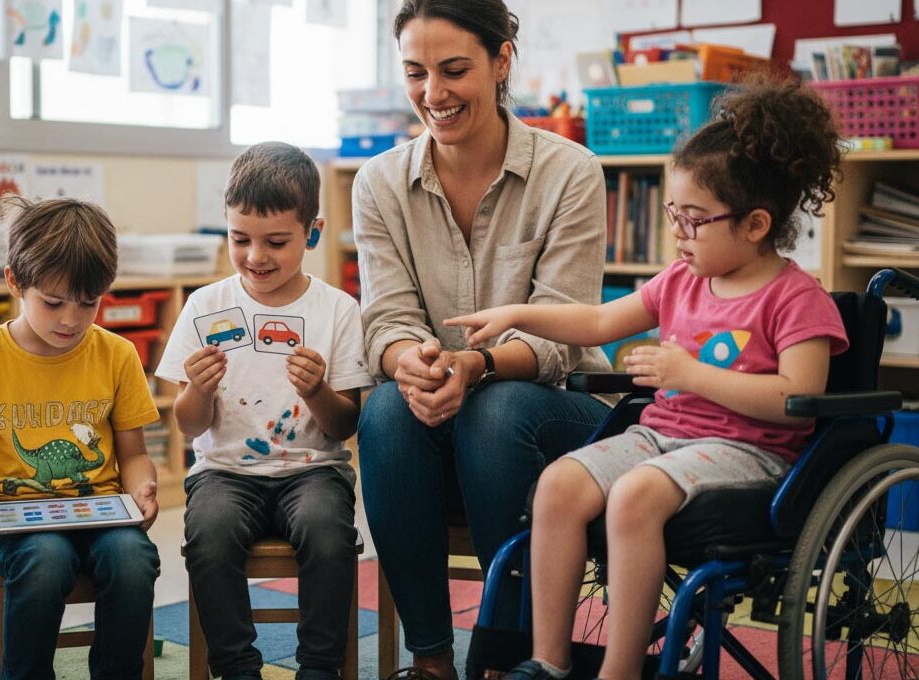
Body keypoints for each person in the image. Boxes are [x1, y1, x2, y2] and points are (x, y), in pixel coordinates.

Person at [445, 75, 849, 680]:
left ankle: (621, 670)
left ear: (755, 224)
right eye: (673, 214)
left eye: (695, 220)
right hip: (662, 438)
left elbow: (797, 398)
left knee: (635, 495)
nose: (677, 232)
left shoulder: (796, 299)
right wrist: (517, 313)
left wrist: (690, 373)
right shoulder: (681, 280)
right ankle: (548, 662)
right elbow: (599, 320)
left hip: (749, 451)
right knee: (557, 486)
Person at [353, 1, 613, 677]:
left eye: (453, 70)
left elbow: (560, 334)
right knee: (386, 409)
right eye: (415, 72)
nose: (432, 93)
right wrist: (411, 363)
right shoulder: (378, 183)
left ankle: (509, 660)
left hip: (556, 413)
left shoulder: (570, 172)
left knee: (496, 409)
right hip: (440, 418)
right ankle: (432, 660)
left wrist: (478, 365)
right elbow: (385, 320)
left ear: (501, 62)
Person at [155, 142, 374, 680]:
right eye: (240, 239)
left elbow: (346, 425)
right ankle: (236, 666)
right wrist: (198, 390)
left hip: (314, 471)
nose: (255, 256)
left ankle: (319, 666)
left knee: (329, 538)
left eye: (276, 242)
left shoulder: (338, 310)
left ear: (313, 233)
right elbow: (188, 424)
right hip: (224, 472)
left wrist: (318, 391)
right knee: (208, 539)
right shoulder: (206, 305)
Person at [0, 197, 162, 680]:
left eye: (89, 302)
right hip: (16, 523)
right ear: (15, 282)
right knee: (46, 557)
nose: (71, 320)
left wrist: (143, 488)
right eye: (53, 303)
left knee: (132, 559)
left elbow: (134, 454)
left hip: (100, 512)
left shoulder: (118, 355)